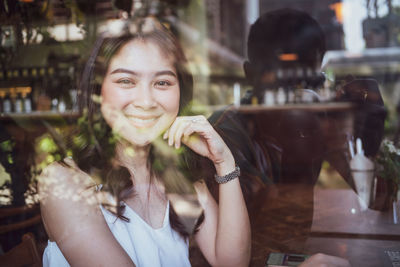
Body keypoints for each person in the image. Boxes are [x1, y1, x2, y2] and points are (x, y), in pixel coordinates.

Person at [38, 17, 250, 267]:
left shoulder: (177, 178)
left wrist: (223, 162)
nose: (146, 101)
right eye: (126, 81)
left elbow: (232, 263)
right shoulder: (65, 182)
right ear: (97, 91)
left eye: (162, 83)